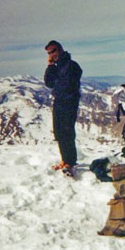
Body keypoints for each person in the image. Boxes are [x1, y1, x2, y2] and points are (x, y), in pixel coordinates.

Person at [44, 40, 83, 175]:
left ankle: (70, 162)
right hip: (59, 101)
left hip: (69, 102)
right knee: (59, 132)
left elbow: (67, 84)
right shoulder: (56, 67)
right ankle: (64, 160)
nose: (52, 55)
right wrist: (50, 66)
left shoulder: (71, 65)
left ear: (59, 49)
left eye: (53, 51)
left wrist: (59, 85)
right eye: (49, 53)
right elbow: (49, 83)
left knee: (67, 131)